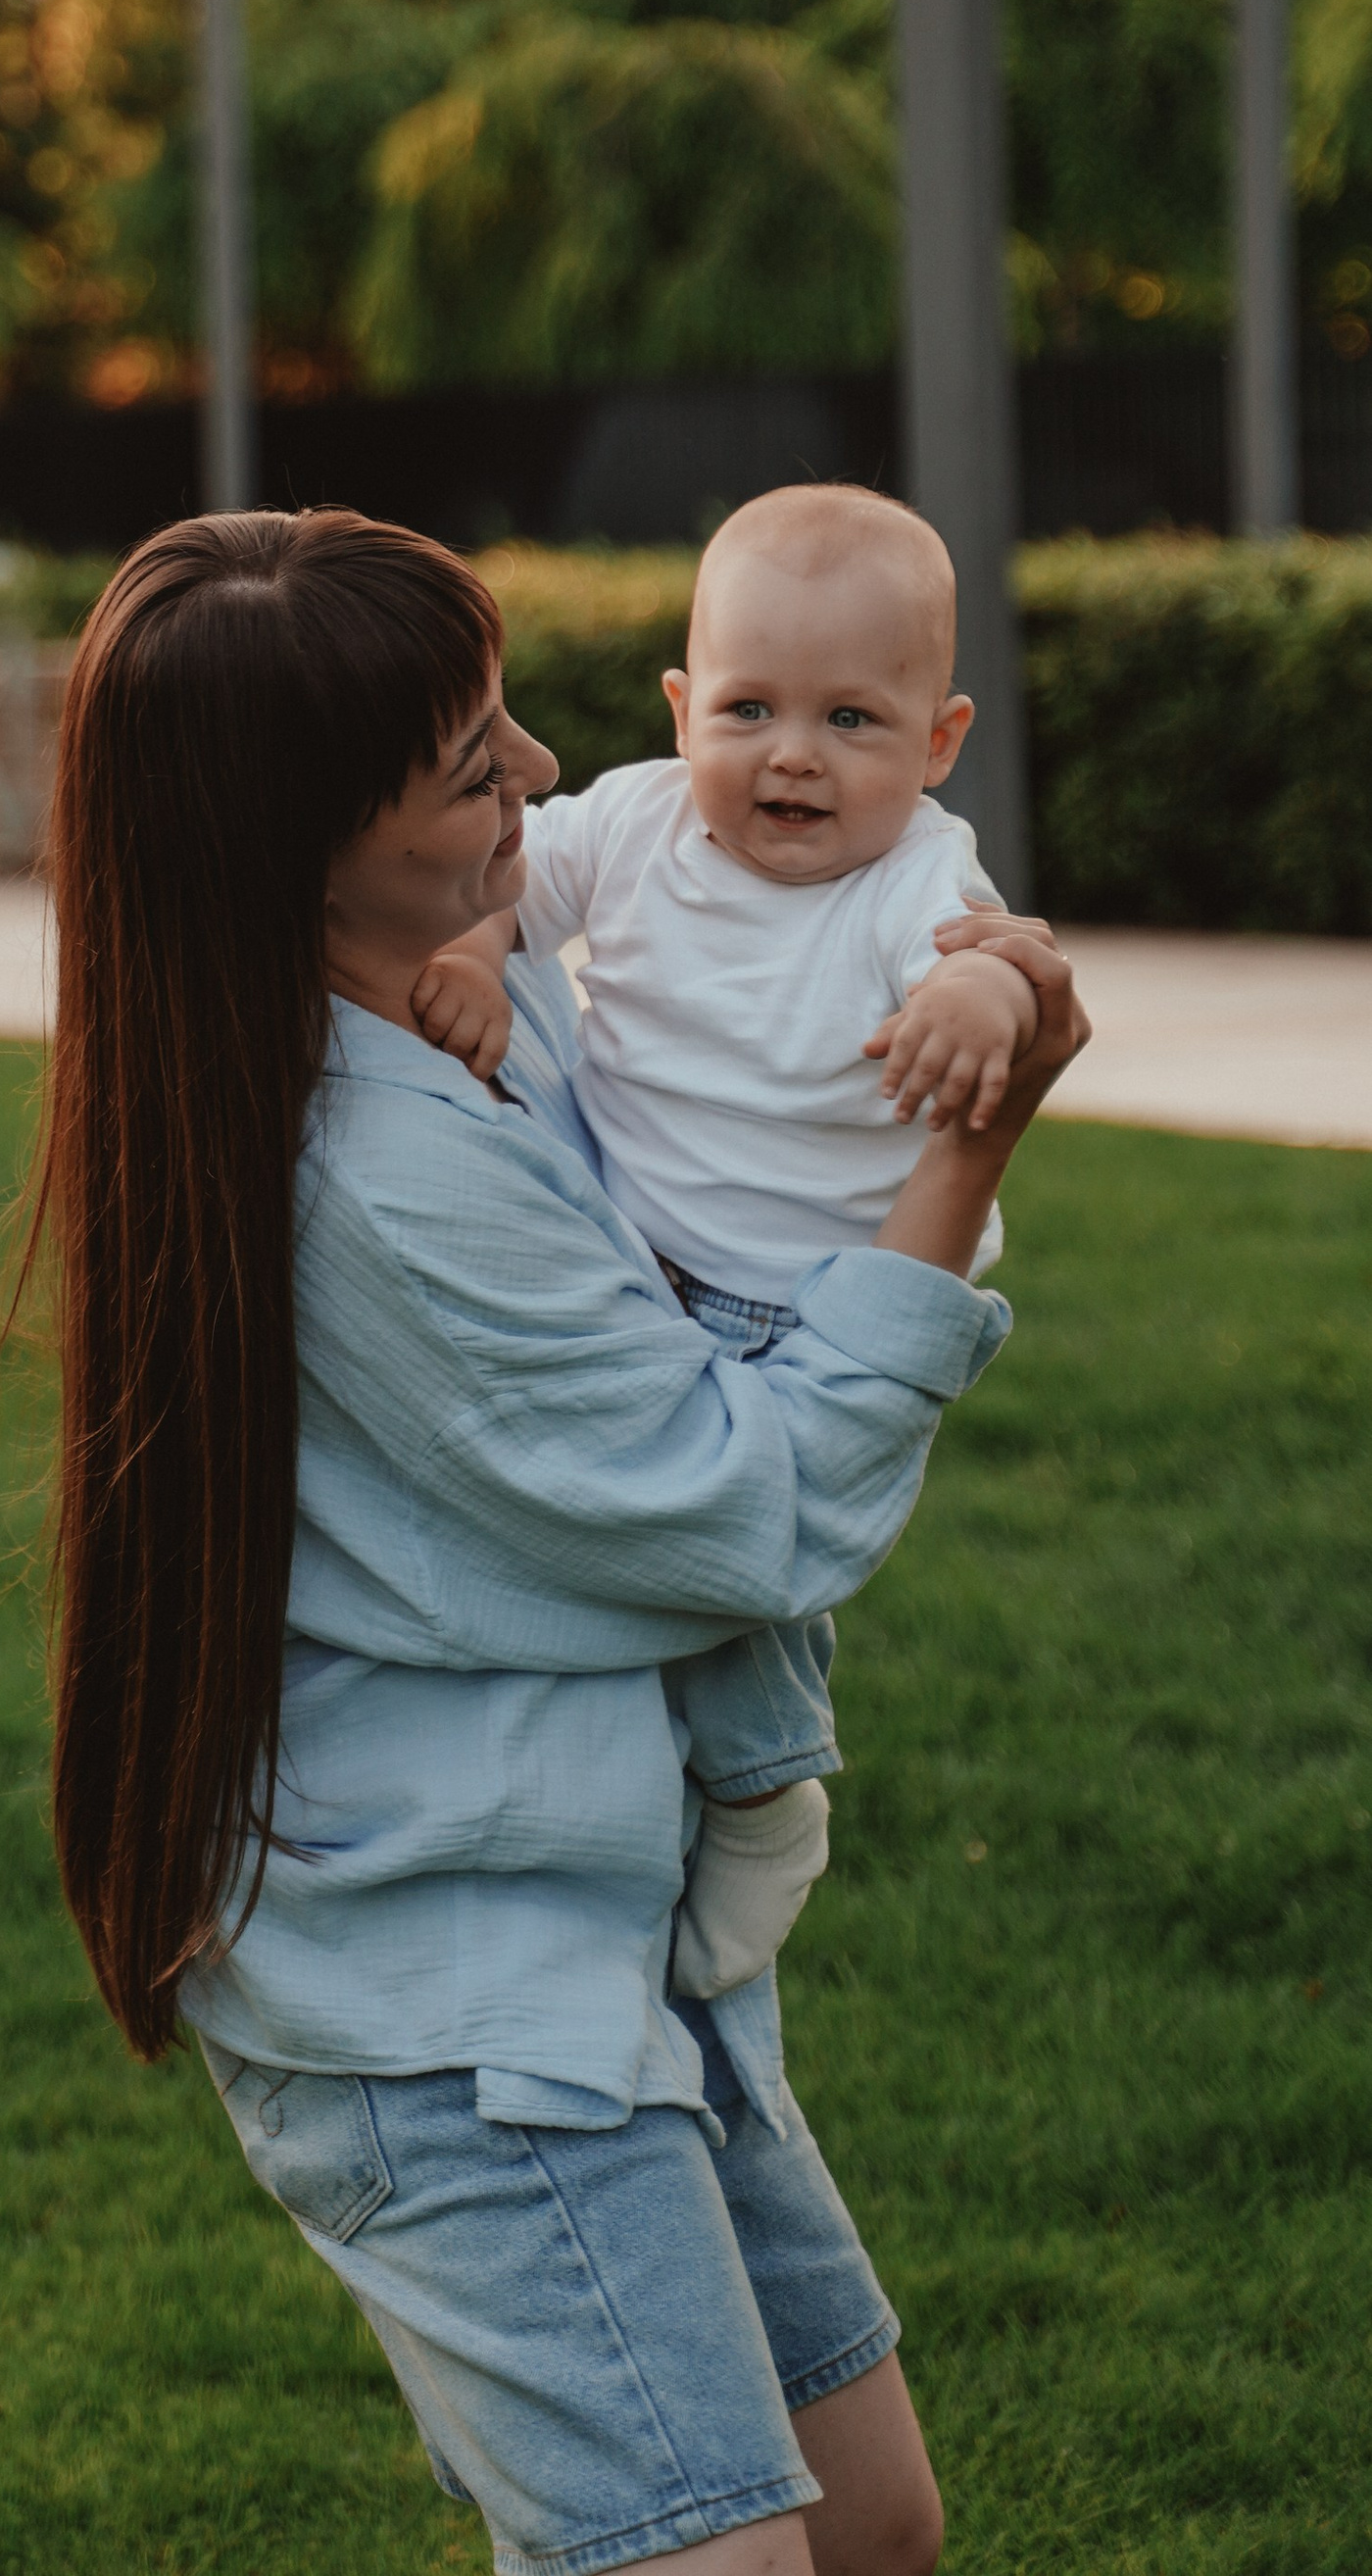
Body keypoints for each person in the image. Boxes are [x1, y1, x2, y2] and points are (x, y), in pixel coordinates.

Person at [25, 507, 1086, 2576]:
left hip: (605, 1936)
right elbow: (754, 1511)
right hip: (450, 2008)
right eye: (463, 767)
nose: (534, 777)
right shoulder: (378, 1171)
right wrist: (967, 1142)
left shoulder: (466, 1018)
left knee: (869, 2530)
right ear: (299, 845)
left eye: (506, 726)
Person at [405, 483, 1039, 2006]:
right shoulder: (628, 820)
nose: (793, 755)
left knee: (740, 1572)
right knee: (644, 1545)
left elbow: (992, 971)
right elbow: (509, 883)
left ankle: (766, 1793)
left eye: (853, 721)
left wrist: (975, 1003)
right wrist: (475, 959)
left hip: (812, 1305)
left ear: (938, 744)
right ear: (683, 704)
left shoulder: (912, 881)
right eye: (748, 707)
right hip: (643, 1265)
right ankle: (659, 1793)